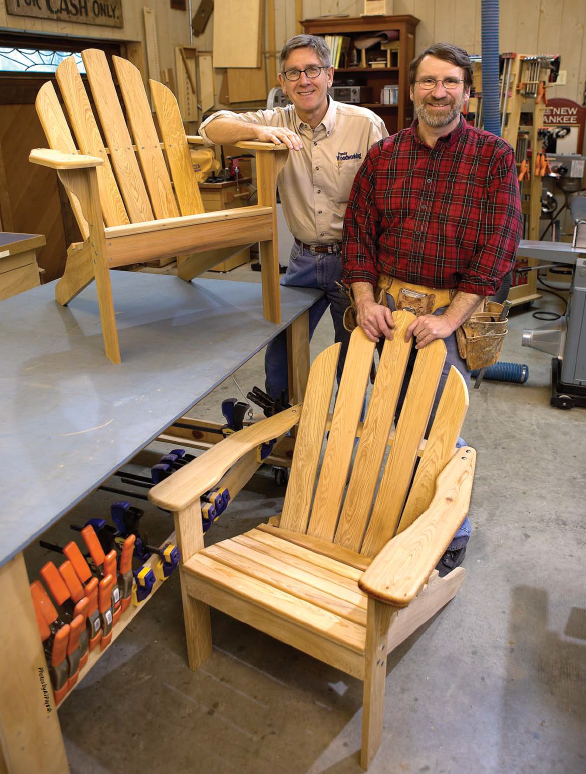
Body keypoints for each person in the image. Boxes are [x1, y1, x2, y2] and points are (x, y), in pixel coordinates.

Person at [341, 43, 523, 575]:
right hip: (390, 310)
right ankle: (403, 511)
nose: (437, 93)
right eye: (427, 82)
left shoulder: (495, 157)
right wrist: (366, 300)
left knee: (440, 424)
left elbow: (500, 245)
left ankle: (450, 530)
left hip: (449, 314)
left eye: (449, 83)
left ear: (466, 92)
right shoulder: (384, 155)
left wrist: (449, 320)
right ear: (413, 89)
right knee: (393, 415)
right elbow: (359, 235)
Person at [199, 34, 387, 402]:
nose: (304, 81)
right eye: (293, 73)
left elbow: (389, 197)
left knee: (353, 356)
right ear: (282, 82)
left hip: (354, 262)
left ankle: (350, 436)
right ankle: (280, 429)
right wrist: (256, 131)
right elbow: (210, 128)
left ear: (329, 75)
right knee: (281, 351)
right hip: (302, 259)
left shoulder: (364, 125)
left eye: (312, 70)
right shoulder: (275, 120)